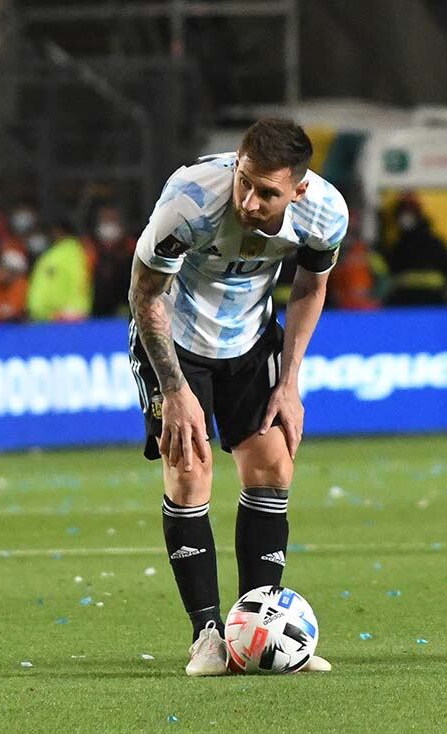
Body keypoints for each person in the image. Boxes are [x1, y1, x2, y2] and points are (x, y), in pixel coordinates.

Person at [127, 118, 345, 676]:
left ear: (298, 189)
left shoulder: (325, 212)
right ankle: (207, 635)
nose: (249, 201)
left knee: (274, 466)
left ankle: (258, 628)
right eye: (244, 182)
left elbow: (312, 285)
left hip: (250, 339)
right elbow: (144, 291)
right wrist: (175, 390)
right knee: (189, 469)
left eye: (267, 192)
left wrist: (290, 381)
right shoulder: (190, 198)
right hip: (174, 343)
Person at [26, 220, 92, 322]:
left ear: (59, 231)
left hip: (64, 319)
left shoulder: (73, 253)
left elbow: (79, 281)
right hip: (45, 320)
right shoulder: (54, 253)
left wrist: (74, 310)